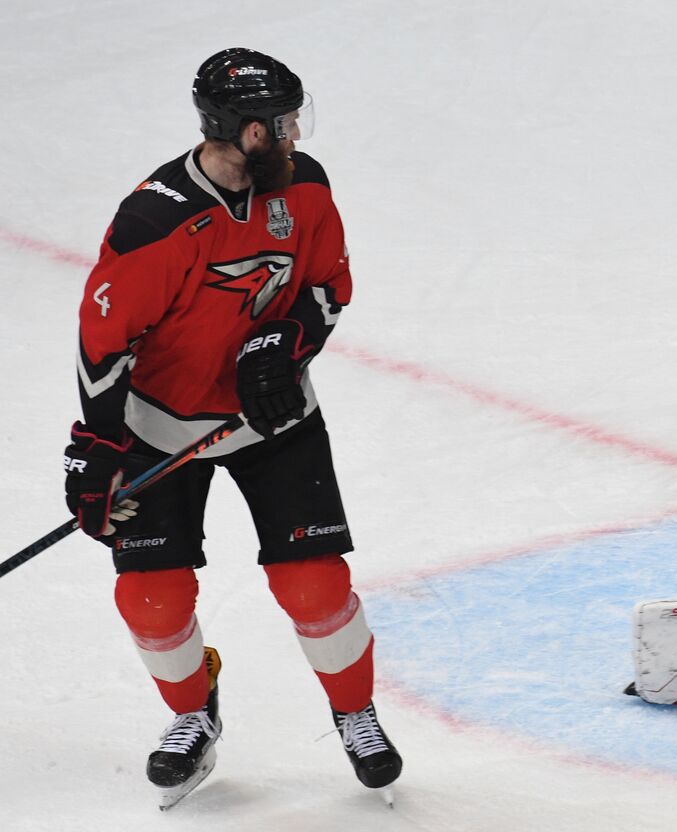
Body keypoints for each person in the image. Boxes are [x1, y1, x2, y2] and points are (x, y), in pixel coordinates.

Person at [62, 47, 401, 801]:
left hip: (275, 419)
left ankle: (355, 712)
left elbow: (329, 287)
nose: (293, 135)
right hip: (162, 425)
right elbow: (102, 340)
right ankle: (194, 716)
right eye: (280, 124)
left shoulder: (305, 189)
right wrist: (96, 447)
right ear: (244, 131)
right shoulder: (155, 221)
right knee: (151, 599)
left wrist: (291, 342)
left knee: (313, 584)